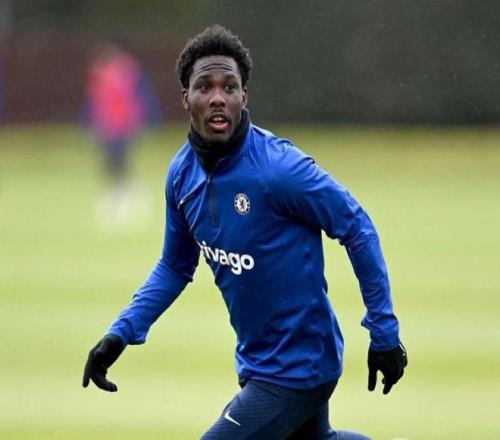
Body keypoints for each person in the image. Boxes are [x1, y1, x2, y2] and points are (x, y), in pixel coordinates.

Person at [82, 25, 407, 439]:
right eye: (205, 87)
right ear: (186, 98)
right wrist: (120, 333)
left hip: (298, 368)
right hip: (258, 361)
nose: (218, 97)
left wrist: (384, 332)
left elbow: (356, 226)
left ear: (243, 97)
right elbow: (174, 266)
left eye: (229, 87)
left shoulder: (279, 170)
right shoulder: (181, 175)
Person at [82, 40, 161, 227]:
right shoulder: (101, 73)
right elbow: (94, 102)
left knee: (120, 165)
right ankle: (120, 203)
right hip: (108, 128)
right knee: (113, 166)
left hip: (123, 127)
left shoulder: (128, 71)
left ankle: (127, 202)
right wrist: (89, 124)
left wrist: (149, 121)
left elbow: (142, 97)